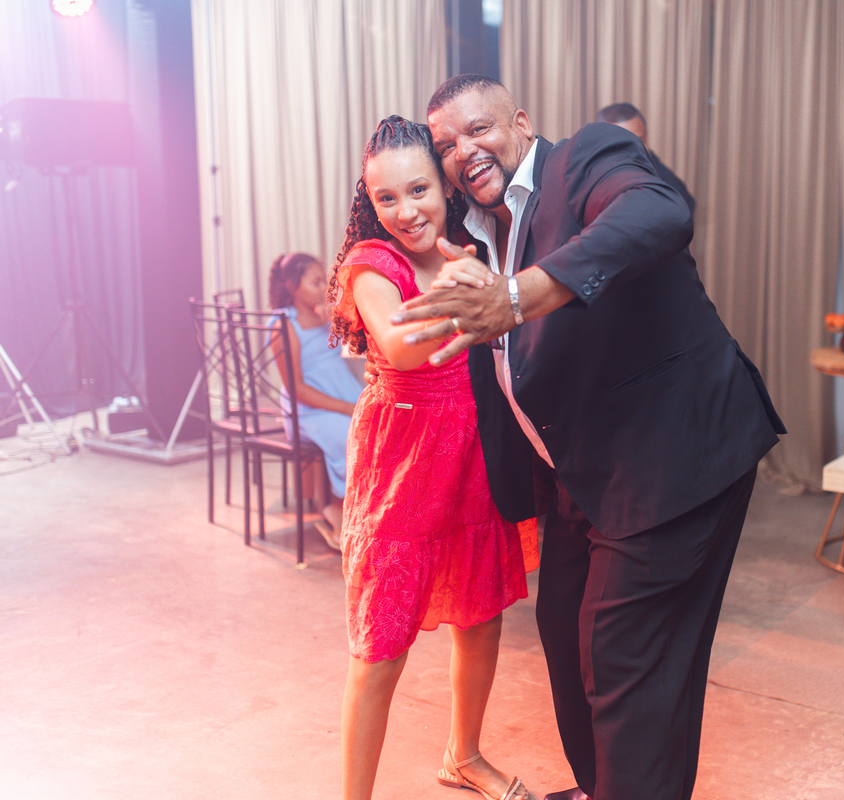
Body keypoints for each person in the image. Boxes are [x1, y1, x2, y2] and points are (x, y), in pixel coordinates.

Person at [394, 75, 786, 800]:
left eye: (478, 129)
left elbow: (657, 213)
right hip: (581, 475)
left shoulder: (586, 161)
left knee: (622, 654)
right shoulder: (476, 235)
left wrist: (518, 297)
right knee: (563, 628)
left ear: (520, 122)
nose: (462, 151)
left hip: (672, 458)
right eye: (446, 144)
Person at [326, 115, 533, 800]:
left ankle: (463, 755)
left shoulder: (474, 243)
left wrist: (488, 282)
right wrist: (476, 293)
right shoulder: (370, 264)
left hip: (472, 452)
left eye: (418, 190)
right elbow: (402, 347)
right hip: (403, 467)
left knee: (481, 616)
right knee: (381, 644)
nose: (405, 212)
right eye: (386, 198)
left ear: (444, 186)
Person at [267, 252, 364, 551]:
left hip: (342, 391)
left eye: (325, 280)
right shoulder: (283, 324)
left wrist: (339, 319)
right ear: (292, 286)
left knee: (380, 424)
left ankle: (361, 511)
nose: (324, 288)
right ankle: (338, 510)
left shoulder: (325, 314)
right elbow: (296, 388)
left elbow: (356, 349)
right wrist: (347, 408)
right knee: (352, 434)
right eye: (316, 282)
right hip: (308, 410)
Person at [596, 102, 696, 213]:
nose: (635, 149)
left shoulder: (666, 183)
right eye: (624, 143)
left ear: (646, 134)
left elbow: (685, 208)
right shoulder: (590, 176)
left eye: (640, 139)